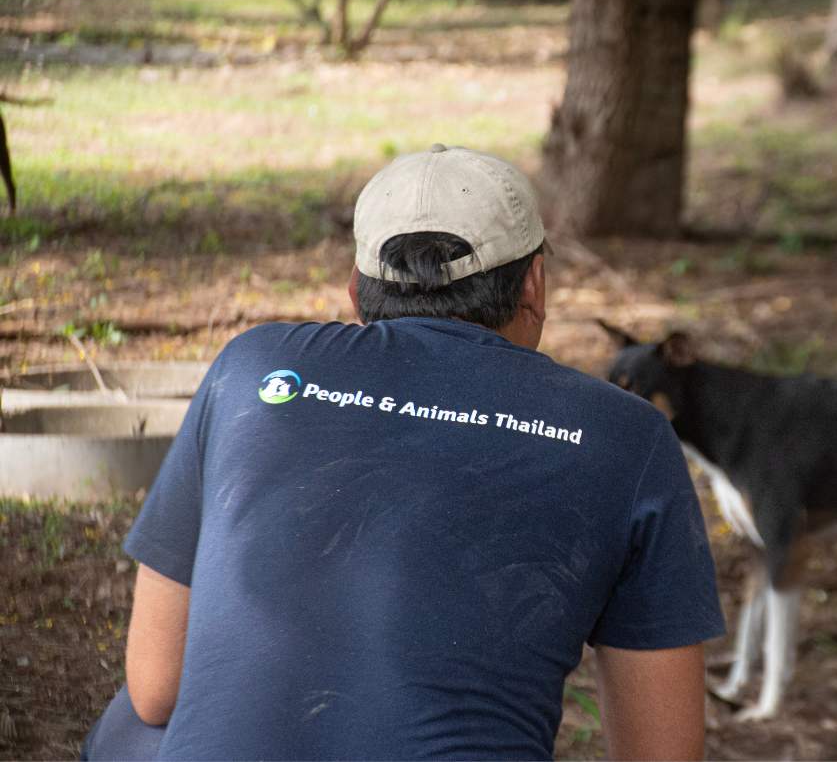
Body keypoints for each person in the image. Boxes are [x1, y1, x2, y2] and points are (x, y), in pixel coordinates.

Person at [82, 144, 724, 760]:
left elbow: (156, 684)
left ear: (356, 292)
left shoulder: (254, 368)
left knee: (127, 732)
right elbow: (660, 753)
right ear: (535, 284)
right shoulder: (626, 435)